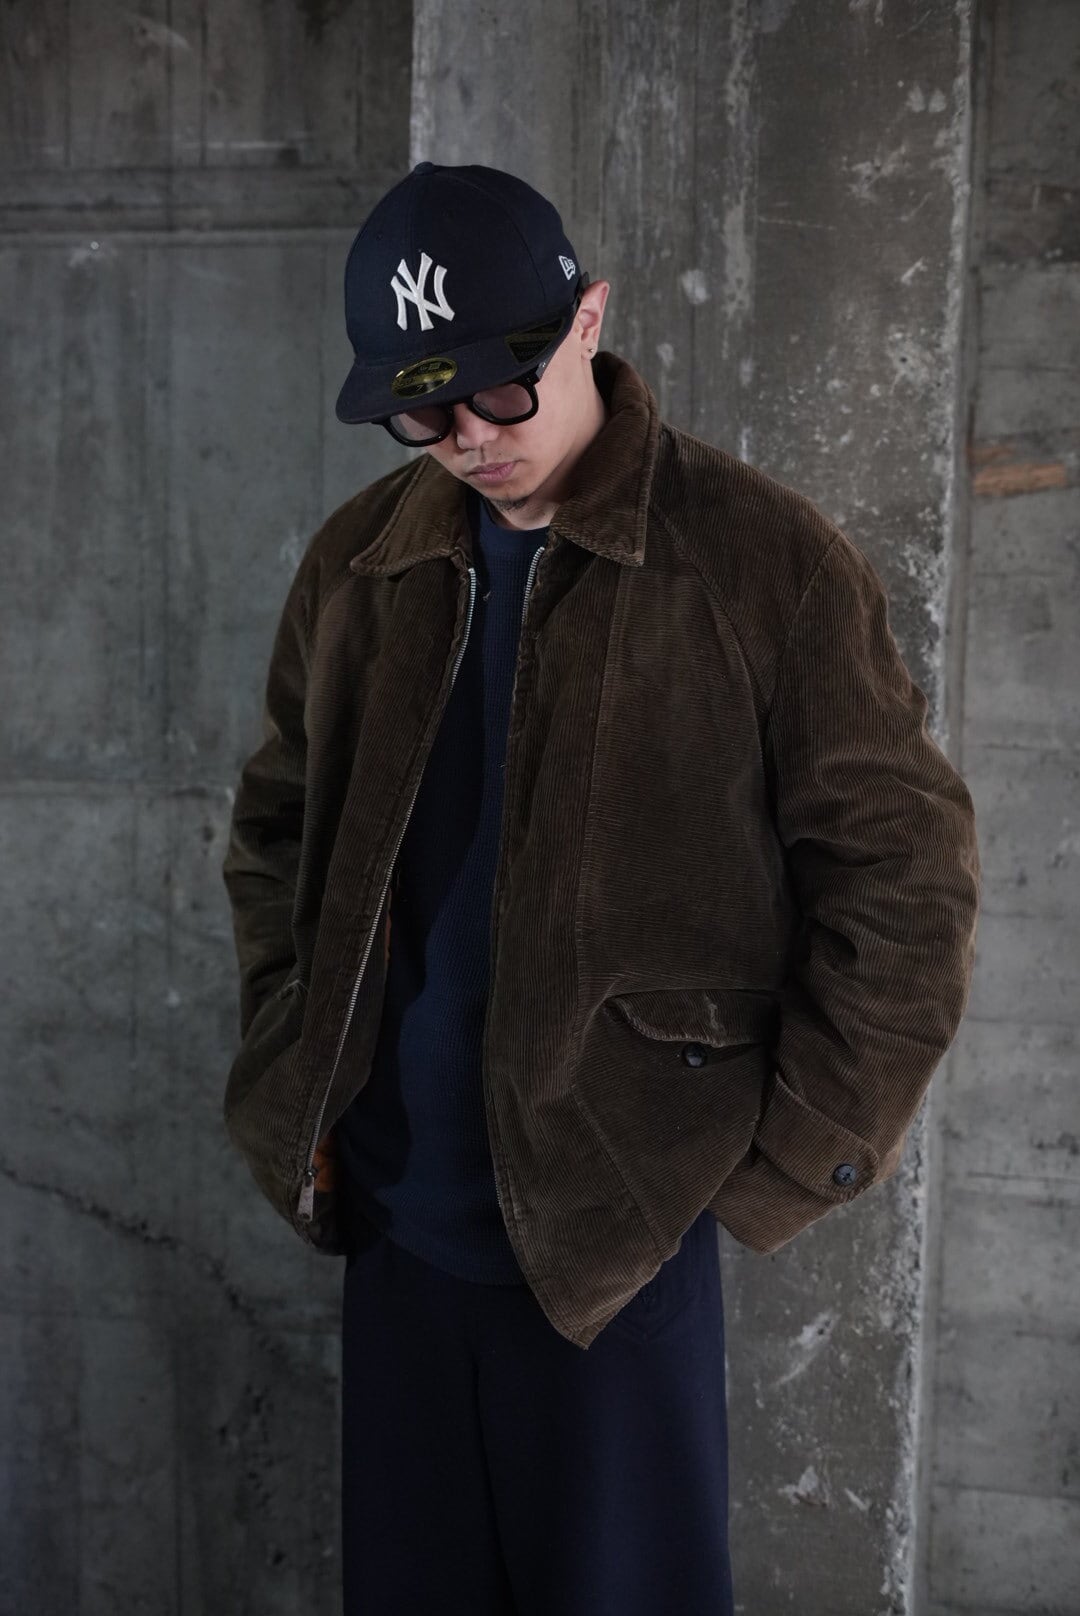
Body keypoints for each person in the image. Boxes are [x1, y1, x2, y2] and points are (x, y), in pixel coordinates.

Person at [220, 161, 980, 1615]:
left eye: (499, 391)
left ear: (588, 321)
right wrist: (296, 1051)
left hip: (618, 1241)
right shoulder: (363, 561)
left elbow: (904, 877)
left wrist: (787, 1158)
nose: (466, 439)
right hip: (393, 1219)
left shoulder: (759, 563)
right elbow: (276, 831)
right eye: (420, 412)